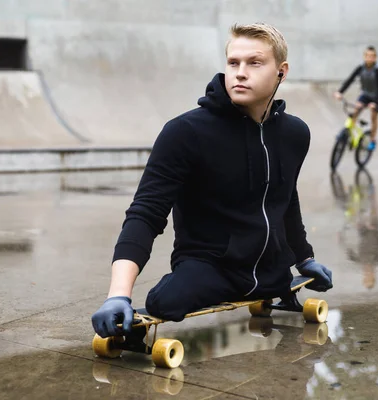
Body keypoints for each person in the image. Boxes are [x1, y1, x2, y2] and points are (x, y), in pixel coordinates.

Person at [92, 23, 333, 338]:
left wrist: (304, 257)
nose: (240, 73)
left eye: (254, 62)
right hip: (212, 270)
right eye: (233, 63)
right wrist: (118, 294)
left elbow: (286, 199)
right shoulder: (186, 133)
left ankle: (276, 289)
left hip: (273, 273)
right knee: (165, 301)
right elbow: (145, 213)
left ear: (281, 71)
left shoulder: (294, 134)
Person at [334, 46, 378, 151]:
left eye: (372, 56)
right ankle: (348, 134)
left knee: (374, 117)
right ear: (364, 57)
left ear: (375, 58)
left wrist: (374, 103)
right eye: (367, 56)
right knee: (355, 111)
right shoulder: (361, 67)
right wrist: (340, 92)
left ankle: (372, 139)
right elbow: (350, 79)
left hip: (376, 97)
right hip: (365, 94)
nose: (369, 58)